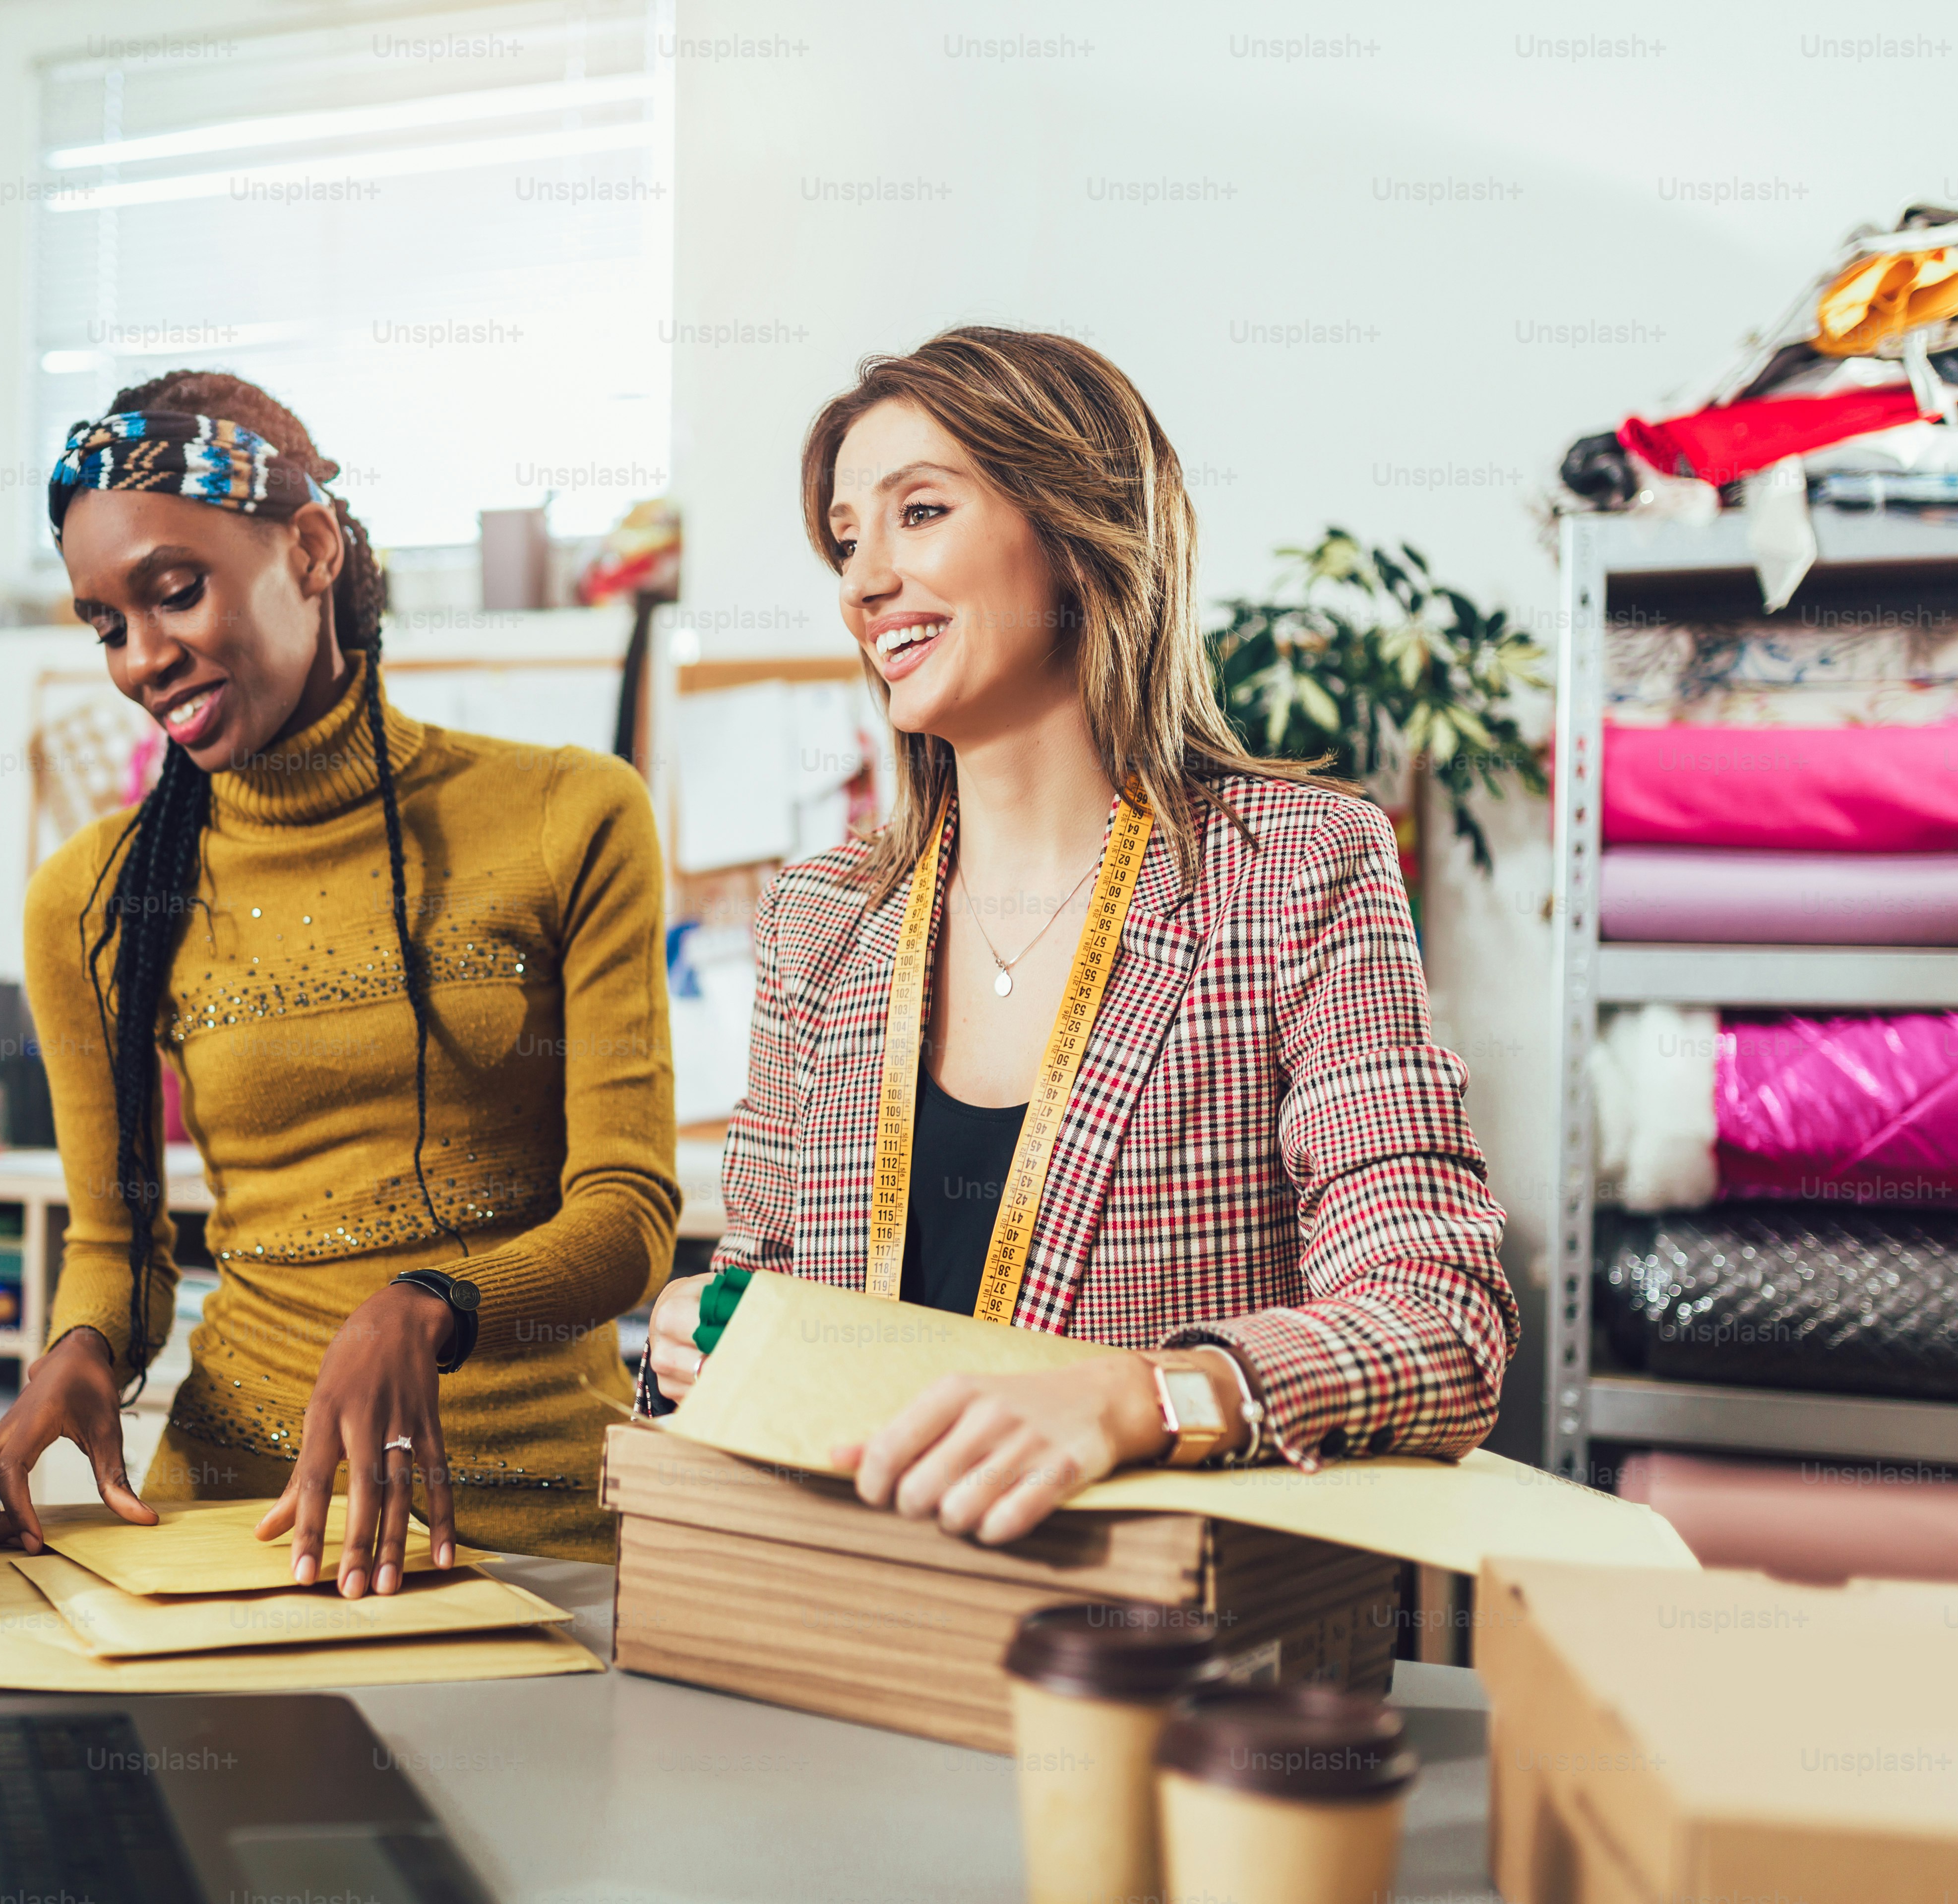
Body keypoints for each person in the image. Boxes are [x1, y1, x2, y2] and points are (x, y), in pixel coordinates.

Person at [644, 327, 1518, 1547]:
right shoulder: (820, 920)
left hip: (1149, 1657)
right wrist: (705, 1332)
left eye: (921, 513)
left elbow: (1440, 1316)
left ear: (1073, 530)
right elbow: (765, 1280)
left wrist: (1145, 1395)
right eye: (847, 541)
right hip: (854, 1626)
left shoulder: (1295, 869)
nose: (862, 582)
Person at [0, 373, 677, 1592]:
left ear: (313, 547)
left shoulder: (569, 813)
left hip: (528, 1530)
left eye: (175, 592)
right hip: (238, 1528)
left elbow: (629, 1214)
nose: (141, 659)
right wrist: (79, 1351)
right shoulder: (92, 897)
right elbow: (117, 1242)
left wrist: (429, 1302)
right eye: (105, 623)